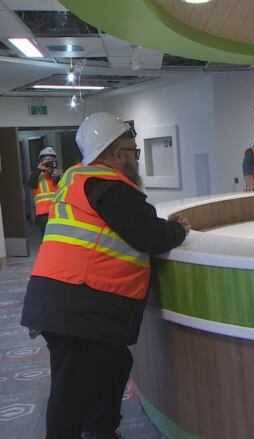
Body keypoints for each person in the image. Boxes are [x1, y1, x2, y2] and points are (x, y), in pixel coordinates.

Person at [20, 112, 191, 439]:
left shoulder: (79, 181)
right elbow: (151, 236)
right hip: (77, 306)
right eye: (134, 152)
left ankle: (100, 430)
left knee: (113, 367)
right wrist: (178, 229)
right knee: (70, 396)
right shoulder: (109, 187)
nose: (136, 160)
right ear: (117, 155)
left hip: (65, 301)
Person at [27, 146, 62, 234]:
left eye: (51, 160)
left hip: (58, 210)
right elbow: (31, 184)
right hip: (43, 213)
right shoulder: (35, 174)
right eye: (46, 160)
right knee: (46, 238)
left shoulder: (57, 174)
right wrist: (39, 169)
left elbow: (63, 188)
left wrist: (57, 175)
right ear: (41, 161)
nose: (49, 162)